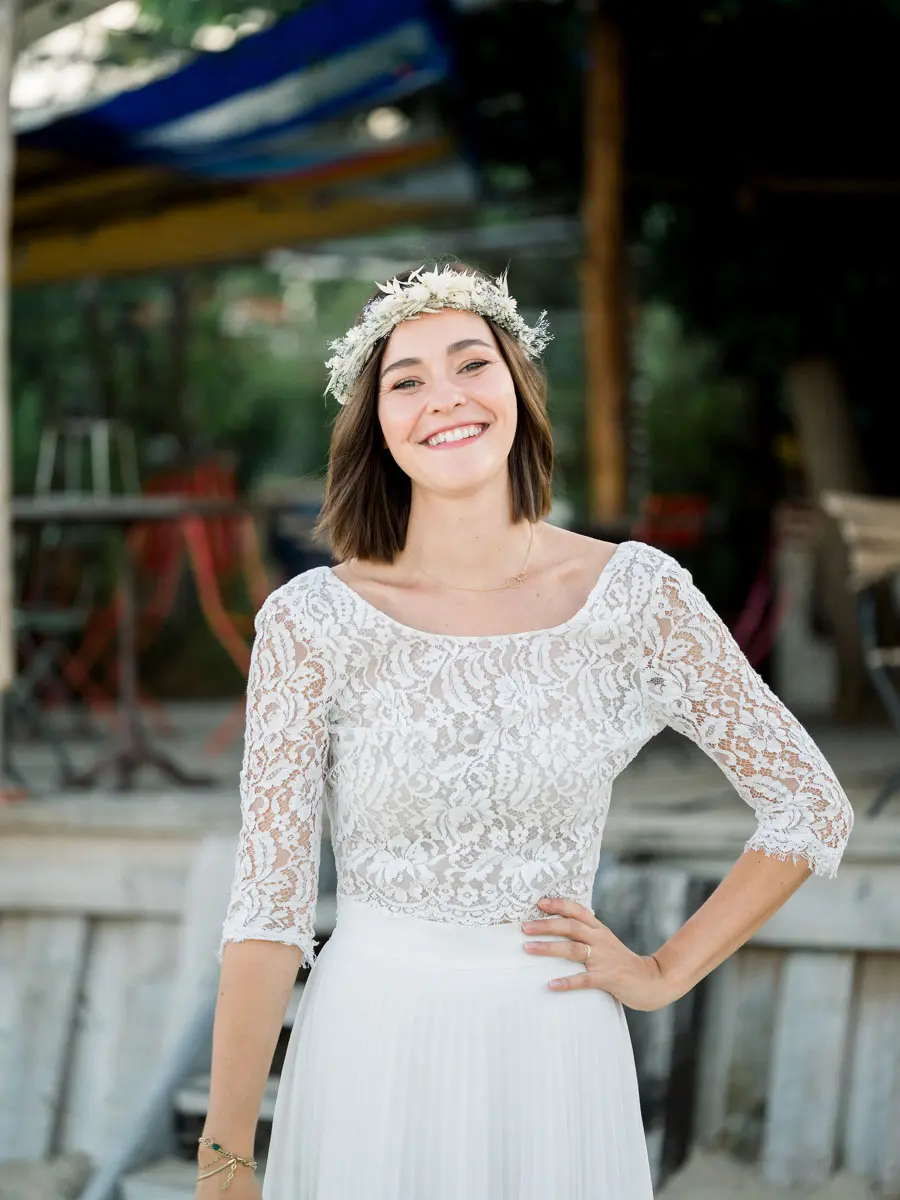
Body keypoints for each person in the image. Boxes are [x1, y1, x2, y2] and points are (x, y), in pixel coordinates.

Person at [196, 264, 854, 1200]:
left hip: (555, 1050)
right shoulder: (313, 622)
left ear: (517, 390)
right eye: (407, 380)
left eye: (473, 363)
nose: (445, 398)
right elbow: (267, 910)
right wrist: (225, 1157)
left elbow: (809, 805)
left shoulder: (638, 596)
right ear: (377, 423)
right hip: (370, 1051)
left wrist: (665, 971)